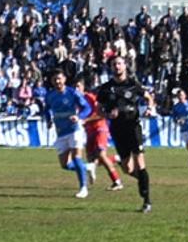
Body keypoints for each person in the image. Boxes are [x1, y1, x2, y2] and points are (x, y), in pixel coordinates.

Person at [97, 55, 154, 212]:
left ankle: (146, 201)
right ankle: (144, 181)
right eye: (114, 64)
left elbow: (148, 97)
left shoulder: (133, 84)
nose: (117, 66)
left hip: (133, 127)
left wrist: (149, 108)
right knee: (127, 169)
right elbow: (99, 109)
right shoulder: (106, 88)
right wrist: (108, 115)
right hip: (117, 129)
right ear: (111, 67)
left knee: (140, 162)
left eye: (120, 63)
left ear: (125, 66)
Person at [44, 68, 91, 199]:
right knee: (65, 165)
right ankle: (87, 167)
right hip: (61, 132)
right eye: (55, 79)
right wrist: (48, 120)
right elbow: (46, 109)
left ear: (64, 79)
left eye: (59, 78)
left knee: (76, 158)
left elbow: (87, 107)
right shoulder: (50, 95)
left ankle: (83, 188)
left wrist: (79, 117)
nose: (57, 81)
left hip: (74, 129)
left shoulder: (72, 93)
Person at [75, 76, 122, 191]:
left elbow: (100, 114)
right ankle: (115, 159)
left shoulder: (90, 97)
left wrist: (84, 120)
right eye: (74, 86)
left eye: (78, 86)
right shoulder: (75, 100)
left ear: (83, 87)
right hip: (89, 131)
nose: (76, 89)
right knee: (92, 160)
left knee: (101, 154)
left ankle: (117, 181)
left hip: (99, 128)